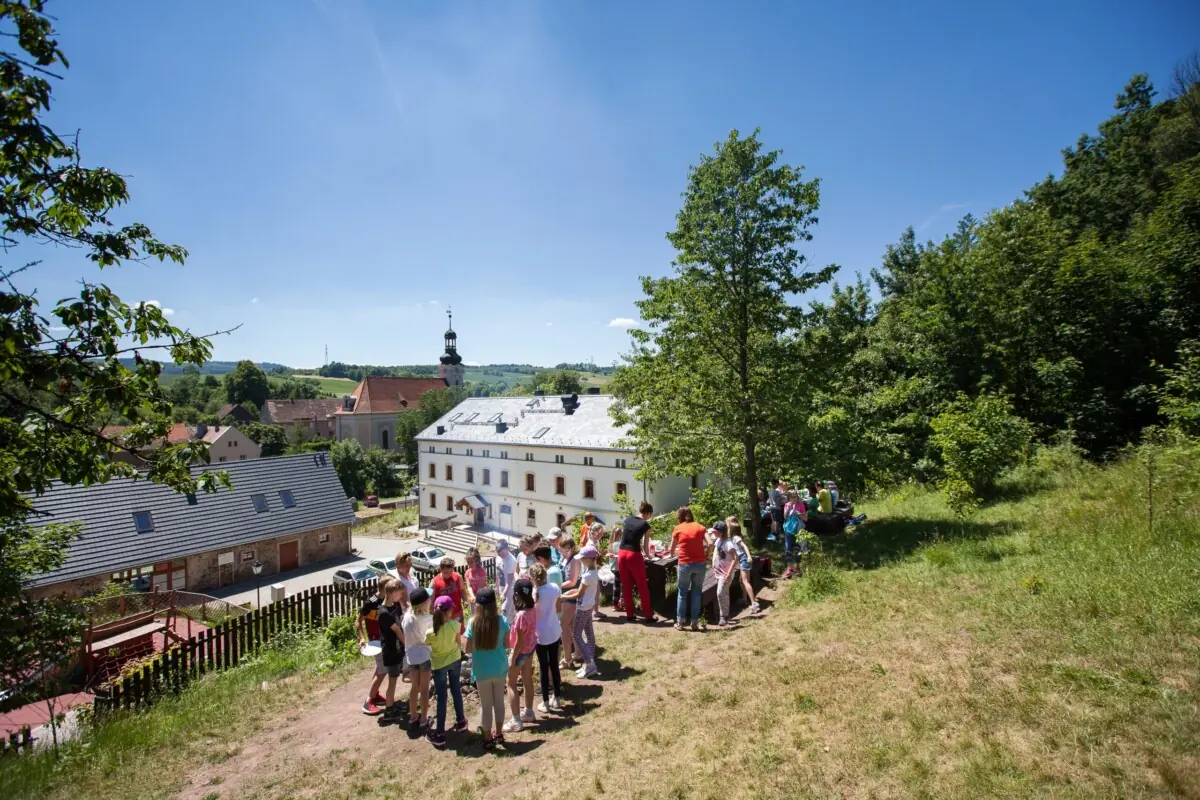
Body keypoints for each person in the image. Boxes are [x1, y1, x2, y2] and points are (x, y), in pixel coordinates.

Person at [464, 587, 509, 749]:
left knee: (486, 705)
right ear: (494, 604)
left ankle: (487, 738)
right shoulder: (502, 620)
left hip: (481, 670)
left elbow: (467, 649)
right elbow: (507, 644)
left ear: (477, 605)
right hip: (499, 668)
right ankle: (499, 733)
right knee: (499, 702)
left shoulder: (473, 623)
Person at [425, 595, 467, 747]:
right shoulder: (455, 625)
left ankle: (440, 733)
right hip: (454, 660)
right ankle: (461, 722)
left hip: (439, 665)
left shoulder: (430, 632)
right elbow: (458, 642)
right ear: (449, 612)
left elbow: (428, 645)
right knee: (456, 690)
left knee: (441, 697)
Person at [504, 578, 538, 732]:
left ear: (516, 595)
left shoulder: (520, 615)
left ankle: (516, 720)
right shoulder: (533, 608)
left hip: (520, 652)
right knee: (527, 679)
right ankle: (529, 712)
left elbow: (518, 642)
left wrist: (512, 658)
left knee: (510, 682)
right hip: (530, 649)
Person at [669, 506, 711, 632]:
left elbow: (671, 549)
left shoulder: (678, 528)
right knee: (696, 592)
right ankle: (694, 622)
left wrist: (673, 553)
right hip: (700, 564)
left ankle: (680, 622)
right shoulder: (701, 527)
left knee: (682, 592)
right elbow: (710, 543)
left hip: (684, 564)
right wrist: (707, 555)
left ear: (680, 517)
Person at [562, 544, 600, 678]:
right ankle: (590, 662)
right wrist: (567, 594)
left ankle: (590, 664)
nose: (581, 561)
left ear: (588, 559)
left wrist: (563, 597)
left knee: (577, 636)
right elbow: (579, 590)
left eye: (582, 559)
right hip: (589, 606)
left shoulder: (587, 576)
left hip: (583, 608)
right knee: (589, 634)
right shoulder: (593, 572)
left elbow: (578, 594)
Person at [618, 500, 659, 624]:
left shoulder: (628, 519)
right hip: (633, 555)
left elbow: (626, 535)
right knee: (642, 586)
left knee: (626, 585)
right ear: (648, 513)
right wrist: (649, 556)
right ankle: (648, 615)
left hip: (621, 553)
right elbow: (646, 545)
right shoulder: (646, 525)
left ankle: (630, 614)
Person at [529, 563, 562, 713]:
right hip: (554, 631)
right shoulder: (554, 588)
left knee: (543, 668)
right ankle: (557, 698)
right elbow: (558, 608)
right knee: (554, 666)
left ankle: (545, 702)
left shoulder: (534, 593)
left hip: (540, 635)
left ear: (533, 577)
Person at [357, 575, 391, 715]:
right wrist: (361, 638)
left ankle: (375, 695)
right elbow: (358, 621)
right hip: (376, 641)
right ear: (385, 588)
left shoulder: (388, 599)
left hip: (385, 639)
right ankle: (368, 701)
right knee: (382, 670)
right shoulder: (370, 603)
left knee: (379, 668)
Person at [402, 587, 433, 734]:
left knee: (414, 687)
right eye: (428, 598)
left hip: (411, 657)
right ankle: (424, 719)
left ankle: (413, 716)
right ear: (424, 603)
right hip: (425, 656)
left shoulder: (407, 617)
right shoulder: (428, 619)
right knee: (425, 689)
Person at [376, 579, 407, 719]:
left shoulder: (393, 606)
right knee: (392, 681)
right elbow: (397, 631)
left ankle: (392, 704)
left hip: (397, 649)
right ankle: (389, 710)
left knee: (394, 679)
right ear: (393, 593)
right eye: (400, 593)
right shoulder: (383, 612)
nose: (401, 596)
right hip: (391, 651)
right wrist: (408, 645)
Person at [728, 518, 762, 614]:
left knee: (745, 581)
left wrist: (749, 556)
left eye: (729, 528)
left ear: (732, 530)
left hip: (744, 559)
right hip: (742, 559)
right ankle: (744, 599)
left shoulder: (736, 537)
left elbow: (744, 546)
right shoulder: (734, 538)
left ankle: (754, 603)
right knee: (742, 581)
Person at [557, 536, 580, 670]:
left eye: (566, 551)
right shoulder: (564, 558)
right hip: (565, 595)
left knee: (563, 627)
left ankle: (567, 659)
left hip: (571, 595)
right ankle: (578, 654)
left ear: (572, 548)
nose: (563, 553)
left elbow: (573, 581)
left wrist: (556, 585)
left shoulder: (575, 560)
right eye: (561, 551)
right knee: (571, 627)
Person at [710, 520, 737, 627]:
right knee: (724, 593)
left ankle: (723, 616)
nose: (713, 532)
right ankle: (725, 615)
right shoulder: (718, 540)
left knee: (720, 593)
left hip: (725, 573)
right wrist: (713, 561)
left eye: (715, 531)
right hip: (718, 572)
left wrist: (729, 573)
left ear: (721, 532)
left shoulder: (728, 543)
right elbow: (716, 551)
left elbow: (735, 558)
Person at [430, 557, 471, 623]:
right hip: (443, 617)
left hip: (457, 613)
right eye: (446, 572)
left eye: (451, 571)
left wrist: (465, 600)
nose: (449, 574)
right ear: (441, 569)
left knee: (460, 629)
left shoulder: (458, 577)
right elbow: (430, 600)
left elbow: (462, 590)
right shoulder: (434, 582)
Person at [782, 490, 808, 580]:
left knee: (798, 549)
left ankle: (797, 568)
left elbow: (806, 518)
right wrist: (789, 508)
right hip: (789, 530)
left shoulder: (801, 505)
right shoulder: (787, 505)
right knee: (788, 549)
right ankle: (790, 568)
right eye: (792, 497)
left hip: (798, 530)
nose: (794, 498)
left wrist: (798, 513)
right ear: (789, 498)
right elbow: (785, 517)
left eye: (795, 496)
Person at [495, 539, 519, 625]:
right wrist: (497, 587)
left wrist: (504, 593)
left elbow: (509, 580)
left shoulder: (511, 560)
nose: (501, 556)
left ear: (507, 549)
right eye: (499, 554)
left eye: (502, 554)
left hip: (509, 589)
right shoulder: (498, 557)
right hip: (501, 587)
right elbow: (498, 573)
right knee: (503, 610)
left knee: (507, 612)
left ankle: (509, 628)